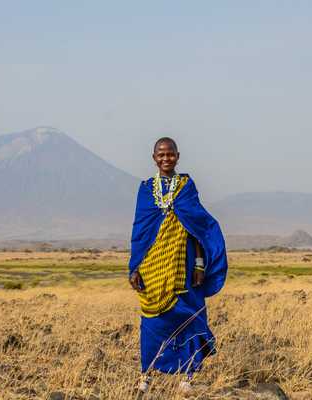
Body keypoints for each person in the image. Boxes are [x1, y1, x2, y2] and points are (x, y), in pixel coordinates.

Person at [128, 137, 228, 392]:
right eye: (161, 154)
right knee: (152, 323)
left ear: (177, 156)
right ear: (153, 158)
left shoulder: (186, 186)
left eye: (170, 154)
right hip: (152, 268)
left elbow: (196, 229)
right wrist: (134, 267)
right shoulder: (145, 189)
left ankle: (188, 376)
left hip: (183, 269)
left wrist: (199, 265)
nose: (166, 158)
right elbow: (140, 233)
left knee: (190, 317)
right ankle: (147, 375)